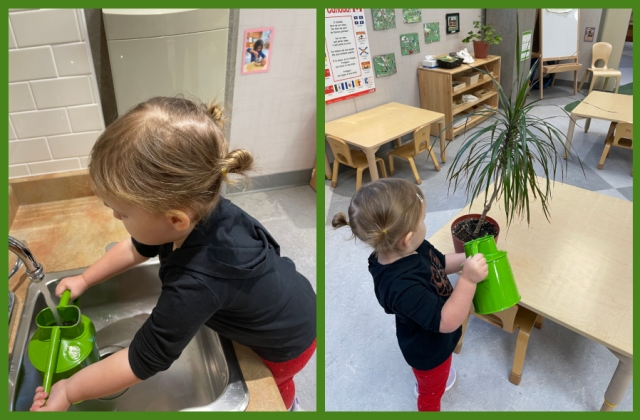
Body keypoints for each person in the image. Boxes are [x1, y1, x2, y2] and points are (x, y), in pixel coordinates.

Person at [30, 97, 316, 412]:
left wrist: (69, 390)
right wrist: (85, 278)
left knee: (275, 391)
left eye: (122, 213)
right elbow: (138, 247)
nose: (114, 218)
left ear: (175, 219)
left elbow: (143, 358)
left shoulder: (197, 281)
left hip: (287, 343)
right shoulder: (199, 212)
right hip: (293, 300)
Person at [332, 178, 487, 412]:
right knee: (430, 393)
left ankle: (432, 379)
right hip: (429, 351)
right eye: (423, 220)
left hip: (433, 338)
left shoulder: (412, 247)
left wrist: (466, 261)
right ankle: (429, 392)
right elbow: (446, 321)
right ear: (406, 238)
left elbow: (440, 263)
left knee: (437, 376)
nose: (425, 225)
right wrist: (468, 280)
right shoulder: (401, 286)